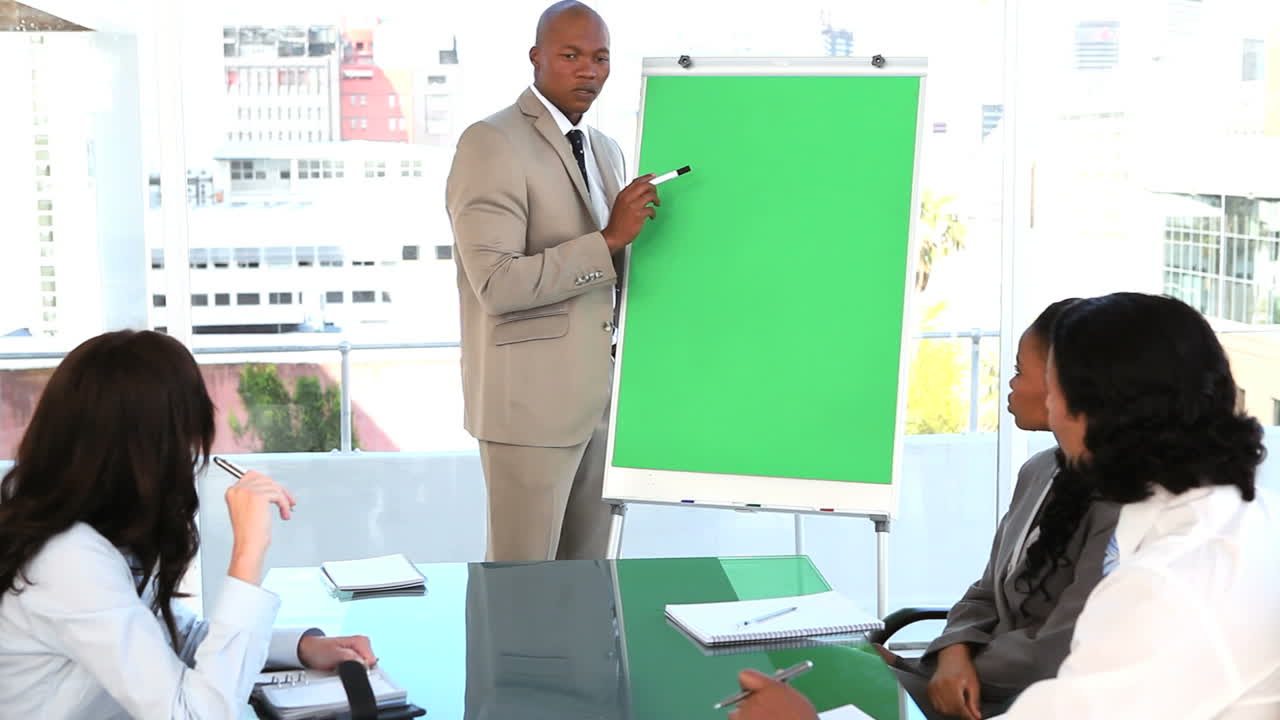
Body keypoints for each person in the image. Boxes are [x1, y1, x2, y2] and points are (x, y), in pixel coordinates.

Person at [727, 292, 1280, 719]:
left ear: (1096, 413)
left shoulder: (1171, 585)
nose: (1049, 412)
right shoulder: (1231, 520)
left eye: (1054, 390)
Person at [0, 330, 377, 719]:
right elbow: (195, 715)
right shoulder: (66, 559)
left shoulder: (91, 526)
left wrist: (300, 648)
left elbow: (175, 638)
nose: (191, 453)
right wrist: (248, 553)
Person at [446, 1, 660, 561]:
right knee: (522, 585)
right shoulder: (490, 142)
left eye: (601, 58)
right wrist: (609, 239)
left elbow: (611, 273)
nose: (589, 70)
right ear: (536, 58)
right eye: (571, 55)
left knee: (585, 582)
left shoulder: (606, 149)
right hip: (528, 413)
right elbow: (497, 284)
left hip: (600, 408)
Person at [878, 298, 1119, 720]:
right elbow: (987, 590)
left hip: (1019, 702)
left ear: (1065, 385)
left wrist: (930, 669)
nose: (1010, 384)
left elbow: (1055, 651)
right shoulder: (1039, 470)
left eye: (1019, 371)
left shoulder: (1121, 504)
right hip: (967, 683)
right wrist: (951, 652)